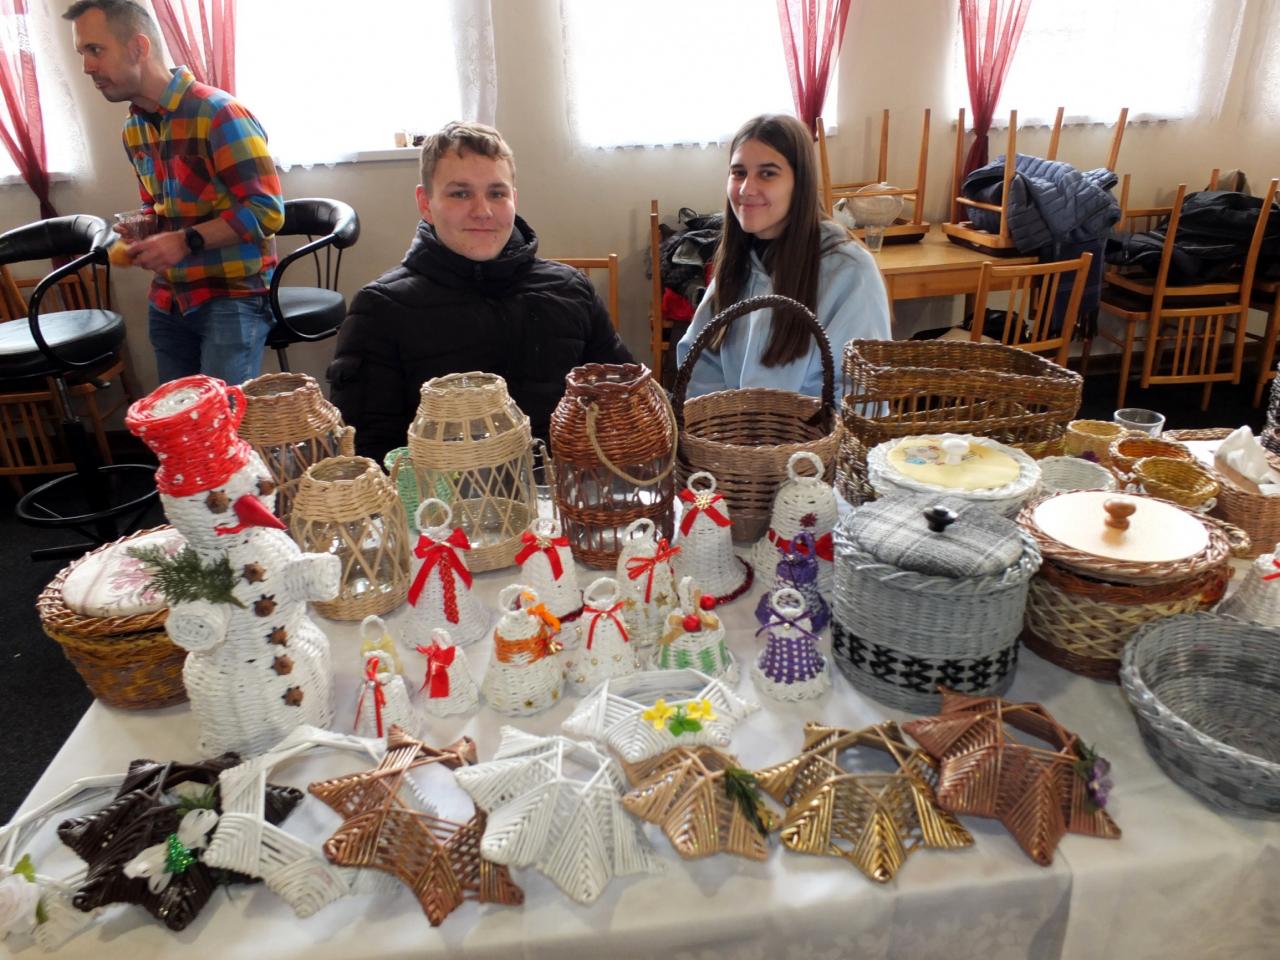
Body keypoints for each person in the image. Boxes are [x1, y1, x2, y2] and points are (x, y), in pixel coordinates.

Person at [327, 121, 632, 463]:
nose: (483, 212)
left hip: (565, 490)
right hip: (440, 496)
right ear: (425, 203)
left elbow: (627, 403)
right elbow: (366, 459)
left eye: (497, 193)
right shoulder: (380, 310)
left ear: (514, 199)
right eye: (460, 193)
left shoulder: (571, 290)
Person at [66, 0, 285, 386]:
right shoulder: (133, 129)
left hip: (230, 296)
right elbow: (156, 204)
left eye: (95, 49)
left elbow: (266, 210)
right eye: (82, 53)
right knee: (174, 420)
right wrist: (143, 226)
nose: (87, 66)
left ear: (139, 47)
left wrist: (185, 241)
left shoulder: (219, 113)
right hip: (168, 298)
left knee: (218, 420)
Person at [675, 114, 891, 398]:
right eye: (738, 172)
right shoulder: (737, 261)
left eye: (767, 173)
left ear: (800, 183)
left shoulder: (849, 270)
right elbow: (700, 363)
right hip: (728, 425)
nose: (746, 189)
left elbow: (860, 393)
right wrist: (723, 419)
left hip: (815, 427)